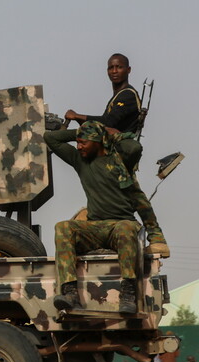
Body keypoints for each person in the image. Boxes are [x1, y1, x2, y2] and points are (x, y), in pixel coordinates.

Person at [46, 53, 169, 258]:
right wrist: (85, 131)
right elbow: (104, 125)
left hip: (120, 154)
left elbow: (109, 122)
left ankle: (156, 238)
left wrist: (78, 117)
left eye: (119, 67)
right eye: (111, 68)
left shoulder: (127, 95)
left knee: (134, 193)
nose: (114, 71)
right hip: (109, 153)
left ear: (128, 70)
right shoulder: (118, 95)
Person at [46, 121, 142, 313]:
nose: (78, 146)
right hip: (95, 228)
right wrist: (81, 132)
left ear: (97, 141)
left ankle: (128, 294)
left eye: (83, 142)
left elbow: (135, 148)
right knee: (63, 227)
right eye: (77, 142)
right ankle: (70, 293)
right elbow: (50, 138)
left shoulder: (119, 160)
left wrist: (110, 133)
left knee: (126, 228)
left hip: (120, 226)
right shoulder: (80, 160)